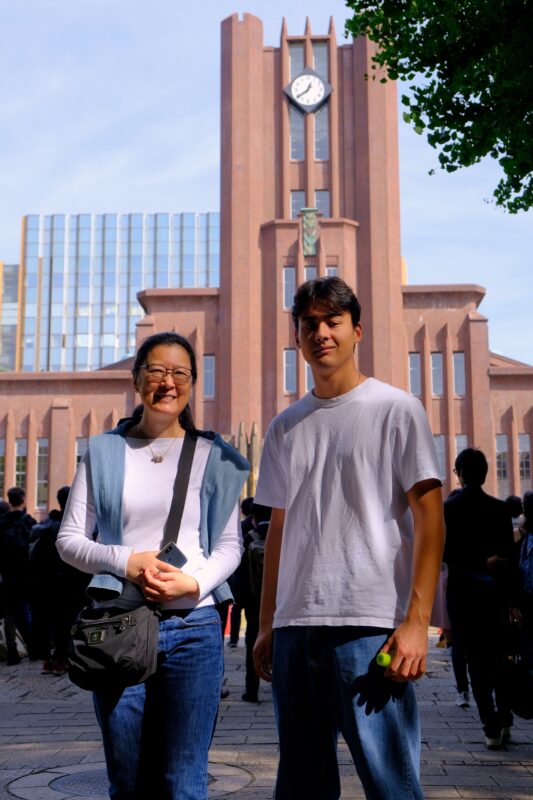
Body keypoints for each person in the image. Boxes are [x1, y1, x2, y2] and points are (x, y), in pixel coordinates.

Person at [253, 277, 444, 800]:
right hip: (296, 630)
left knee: (391, 785)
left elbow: (431, 518)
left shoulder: (396, 408)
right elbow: (279, 529)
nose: (321, 333)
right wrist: (268, 622)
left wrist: (417, 621)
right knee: (301, 785)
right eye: (309, 324)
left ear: (356, 330)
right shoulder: (284, 427)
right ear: (298, 337)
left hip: (370, 627)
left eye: (332, 321)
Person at [57, 331, 249, 800]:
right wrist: (127, 560)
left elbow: (229, 546)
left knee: (184, 779)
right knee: (129, 779)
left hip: (196, 627)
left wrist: (193, 581)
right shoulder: (102, 451)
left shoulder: (215, 455)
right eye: (156, 370)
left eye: (180, 373)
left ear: (192, 383)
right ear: (137, 378)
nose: (168, 381)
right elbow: (69, 541)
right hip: (121, 625)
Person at [444, 447, 518, 750]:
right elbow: (509, 560)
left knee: (475, 661)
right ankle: (504, 719)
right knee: (500, 659)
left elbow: (445, 555)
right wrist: (514, 601)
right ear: (485, 474)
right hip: (496, 596)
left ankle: (489, 726)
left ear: (460, 474)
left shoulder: (449, 508)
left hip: (463, 595)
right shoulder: (500, 510)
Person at [29, 486, 88, 676]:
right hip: (70, 583)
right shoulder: (75, 526)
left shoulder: (45, 525)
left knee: (48, 621)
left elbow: (34, 558)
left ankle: (49, 659)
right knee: (66, 622)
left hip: (46, 584)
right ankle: (62, 659)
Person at [0, 487, 36, 665]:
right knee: (28, 610)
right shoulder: (29, 521)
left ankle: (12, 650)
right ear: (23, 500)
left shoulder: (2, 522)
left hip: (7, 574)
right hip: (26, 573)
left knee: (9, 613)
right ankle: (33, 647)